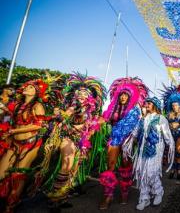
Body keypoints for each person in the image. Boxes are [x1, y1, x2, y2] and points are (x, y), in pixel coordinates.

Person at [41, 73, 106, 211]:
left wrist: (95, 125)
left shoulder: (92, 110)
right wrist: (63, 116)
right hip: (68, 137)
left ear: (91, 96)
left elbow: (95, 125)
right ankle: (53, 200)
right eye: (80, 93)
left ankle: (62, 197)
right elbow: (65, 117)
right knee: (66, 165)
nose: (82, 95)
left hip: (81, 142)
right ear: (75, 94)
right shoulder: (74, 105)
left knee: (73, 169)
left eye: (85, 93)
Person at [0, 79, 49, 212]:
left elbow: (38, 126)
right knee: (2, 173)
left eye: (31, 87)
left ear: (36, 92)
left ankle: (11, 205)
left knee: (18, 174)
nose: (27, 87)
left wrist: (14, 131)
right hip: (14, 143)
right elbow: (9, 121)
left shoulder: (37, 106)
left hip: (30, 144)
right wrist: (8, 133)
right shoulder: (17, 104)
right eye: (27, 86)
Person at [99, 77, 148, 209]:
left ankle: (125, 192)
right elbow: (104, 119)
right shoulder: (112, 109)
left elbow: (134, 125)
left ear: (130, 97)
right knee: (111, 165)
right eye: (121, 95)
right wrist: (92, 123)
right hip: (115, 138)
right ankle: (108, 196)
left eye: (126, 95)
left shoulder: (134, 110)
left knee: (126, 165)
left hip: (128, 139)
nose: (123, 97)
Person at [123, 97, 174, 211]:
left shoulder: (161, 118)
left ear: (155, 105)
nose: (147, 105)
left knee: (151, 172)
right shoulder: (142, 119)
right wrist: (128, 141)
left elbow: (167, 135)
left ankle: (158, 192)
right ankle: (144, 198)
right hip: (142, 151)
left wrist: (171, 147)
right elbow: (135, 133)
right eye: (146, 103)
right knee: (142, 173)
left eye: (149, 103)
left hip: (155, 151)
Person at [162, 86, 180, 180]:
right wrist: (170, 126)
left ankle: (178, 169)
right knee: (173, 152)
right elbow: (164, 126)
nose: (174, 107)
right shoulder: (168, 115)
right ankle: (174, 169)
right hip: (171, 136)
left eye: (176, 105)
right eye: (173, 105)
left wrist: (179, 126)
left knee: (179, 151)